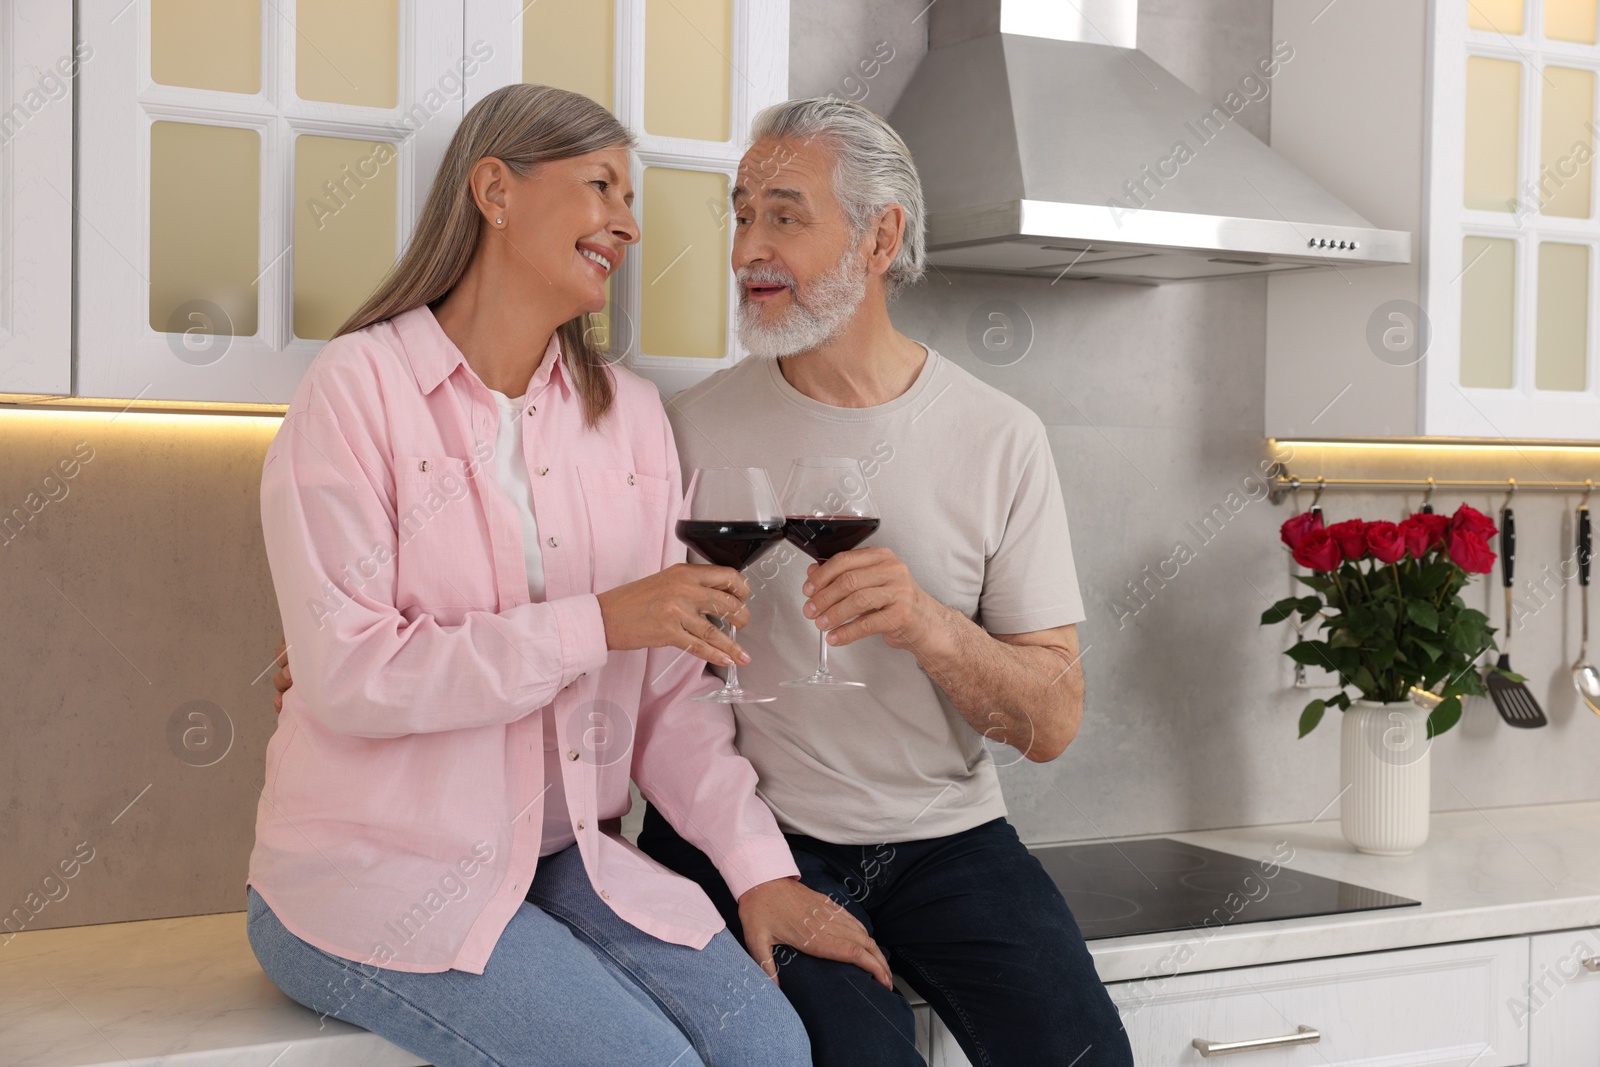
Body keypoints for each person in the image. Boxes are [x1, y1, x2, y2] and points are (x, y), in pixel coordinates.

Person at [248, 84, 887, 1067]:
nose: (628, 223)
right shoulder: (358, 389)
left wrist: (758, 869)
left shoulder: (626, 416)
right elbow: (349, 672)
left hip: (563, 858)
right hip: (368, 873)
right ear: (494, 190)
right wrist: (595, 621)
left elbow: (672, 691)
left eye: (632, 198)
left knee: (768, 1045)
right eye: (601, 186)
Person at [637, 98, 1136, 1066]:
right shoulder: (681, 429)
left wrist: (927, 625)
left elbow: (1051, 721)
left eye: (785, 214)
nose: (749, 247)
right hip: (749, 835)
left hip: (947, 839)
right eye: (741, 214)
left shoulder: (998, 436)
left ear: (880, 236)